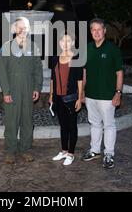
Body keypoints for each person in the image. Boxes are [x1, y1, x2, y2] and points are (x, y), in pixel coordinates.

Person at [0, 17, 43, 164]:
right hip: (12, 90)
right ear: (14, 29)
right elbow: (2, 71)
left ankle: (25, 149)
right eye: (19, 27)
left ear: (29, 29)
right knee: (11, 121)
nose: (22, 29)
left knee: (27, 121)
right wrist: (6, 92)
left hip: (28, 89)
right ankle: (10, 151)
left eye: (25, 27)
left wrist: (37, 87)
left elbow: (38, 69)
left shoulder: (34, 47)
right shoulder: (6, 47)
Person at [82, 18, 123, 169]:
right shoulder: (87, 48)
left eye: (99, 29)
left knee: (109, 125)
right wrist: (81, 92)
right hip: (90, 95)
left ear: (104, 31)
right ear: (90, 31)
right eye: (93, 29)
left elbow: (119, 73)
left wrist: (118, 93)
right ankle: (94, 150)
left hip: (107, 96)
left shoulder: (113, 49)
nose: (96, 32)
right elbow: (84, 72)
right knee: (94, 124)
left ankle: (109, 154)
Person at [49, 33, 84, 166]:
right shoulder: (55, 58)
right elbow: (52, 78)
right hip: (58, 98)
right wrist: (51, 95)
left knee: (72, 126)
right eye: (63, 40)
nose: (65, 43)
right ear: (59, 43)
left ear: (73, 43)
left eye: (68, 41)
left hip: (71, 98)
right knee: (63, 126)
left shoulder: (76, 58)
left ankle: (71, 153)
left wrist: (79, 98)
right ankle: (63, 151)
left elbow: (80, 80)